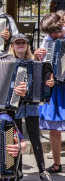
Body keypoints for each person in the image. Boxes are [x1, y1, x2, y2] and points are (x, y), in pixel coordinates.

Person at [8, 34, 53, 181]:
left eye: (23, 42)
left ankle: (42, 169)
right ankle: (18, 170)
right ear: (12, 46)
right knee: (18, 139)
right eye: (17, 43)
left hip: (31, 105)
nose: (20, 44)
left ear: (27, 45)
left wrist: (49, 82)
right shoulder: (8, 62)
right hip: (15, 105)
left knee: (35, 138)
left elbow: (45, 77)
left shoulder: (35, 62)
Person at [34, 13, 65, 174]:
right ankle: (57, 163)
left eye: (55, 32)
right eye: (49, 33)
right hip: (56, 89)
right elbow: (43, 66)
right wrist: (38, 57)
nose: (52, 36)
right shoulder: (48, 41)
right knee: (54, 129)